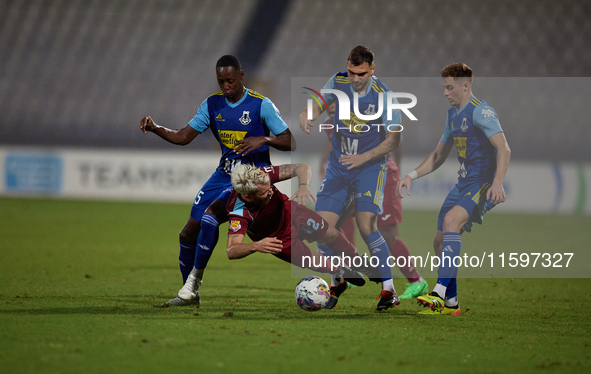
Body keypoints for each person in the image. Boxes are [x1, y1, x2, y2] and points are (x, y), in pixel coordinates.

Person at [139, 55, 294, 307]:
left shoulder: (261, 105)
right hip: (222, 174)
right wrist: (156, 127)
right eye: (221, 81)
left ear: (241, 76)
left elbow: (289, 141)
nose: (226, 86)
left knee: (210, 219)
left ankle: (193, 284)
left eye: (230, 80)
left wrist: (263, 140)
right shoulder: (212, 105)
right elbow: (183, 137)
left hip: (248, 181)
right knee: (188, 233)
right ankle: (189, 293)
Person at [397, 63, 511, 315]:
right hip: (463, 184)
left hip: (482, 183)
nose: (445, 93)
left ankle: (437, 292)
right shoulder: (452, 115)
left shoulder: (481, 112)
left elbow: (504, 148)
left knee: (452, 221)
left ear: (465, 86)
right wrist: (411, 175)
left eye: (450, 88)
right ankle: (451, 302)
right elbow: (438, 155)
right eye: (444, 88)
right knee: (438, 243)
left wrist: (497, 182)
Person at [299, 45, 402, 311]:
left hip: (369, 168)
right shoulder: (338, 80)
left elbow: (394, 139)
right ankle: (338, 281)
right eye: (351, 72)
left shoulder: (385, 96)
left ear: (372, 70)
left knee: (367, 227)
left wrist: (363, 158)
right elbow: (320, 103)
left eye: (361, 74)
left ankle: (389, 291)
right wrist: (307, 114)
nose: (355, 79)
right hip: (338, 167)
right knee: (320, 227)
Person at [319, 113, 429, 300]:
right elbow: (337, 144)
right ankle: (347, 272)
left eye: (334, 102)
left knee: (386, 232)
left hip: (379, 175)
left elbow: (394, 137)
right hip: (349, 177)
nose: (329, 106)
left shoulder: (363, 117)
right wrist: (324, 161)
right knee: (334, 224)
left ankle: (416, 281)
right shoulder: (329, 123)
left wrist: (397, 167)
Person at [220, 164, 366, 291]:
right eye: (264, 193)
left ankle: (359, 261)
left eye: (269, 187)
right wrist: (257, 245)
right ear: (247, 195)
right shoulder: (239, 212)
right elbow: (231, 250)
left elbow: (302, 167)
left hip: (292, 212)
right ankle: (339, 271)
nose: (271, 191)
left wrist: (303, 186)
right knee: (320, 264)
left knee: (331, 235)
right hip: (279, 240)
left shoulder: (262, 174)